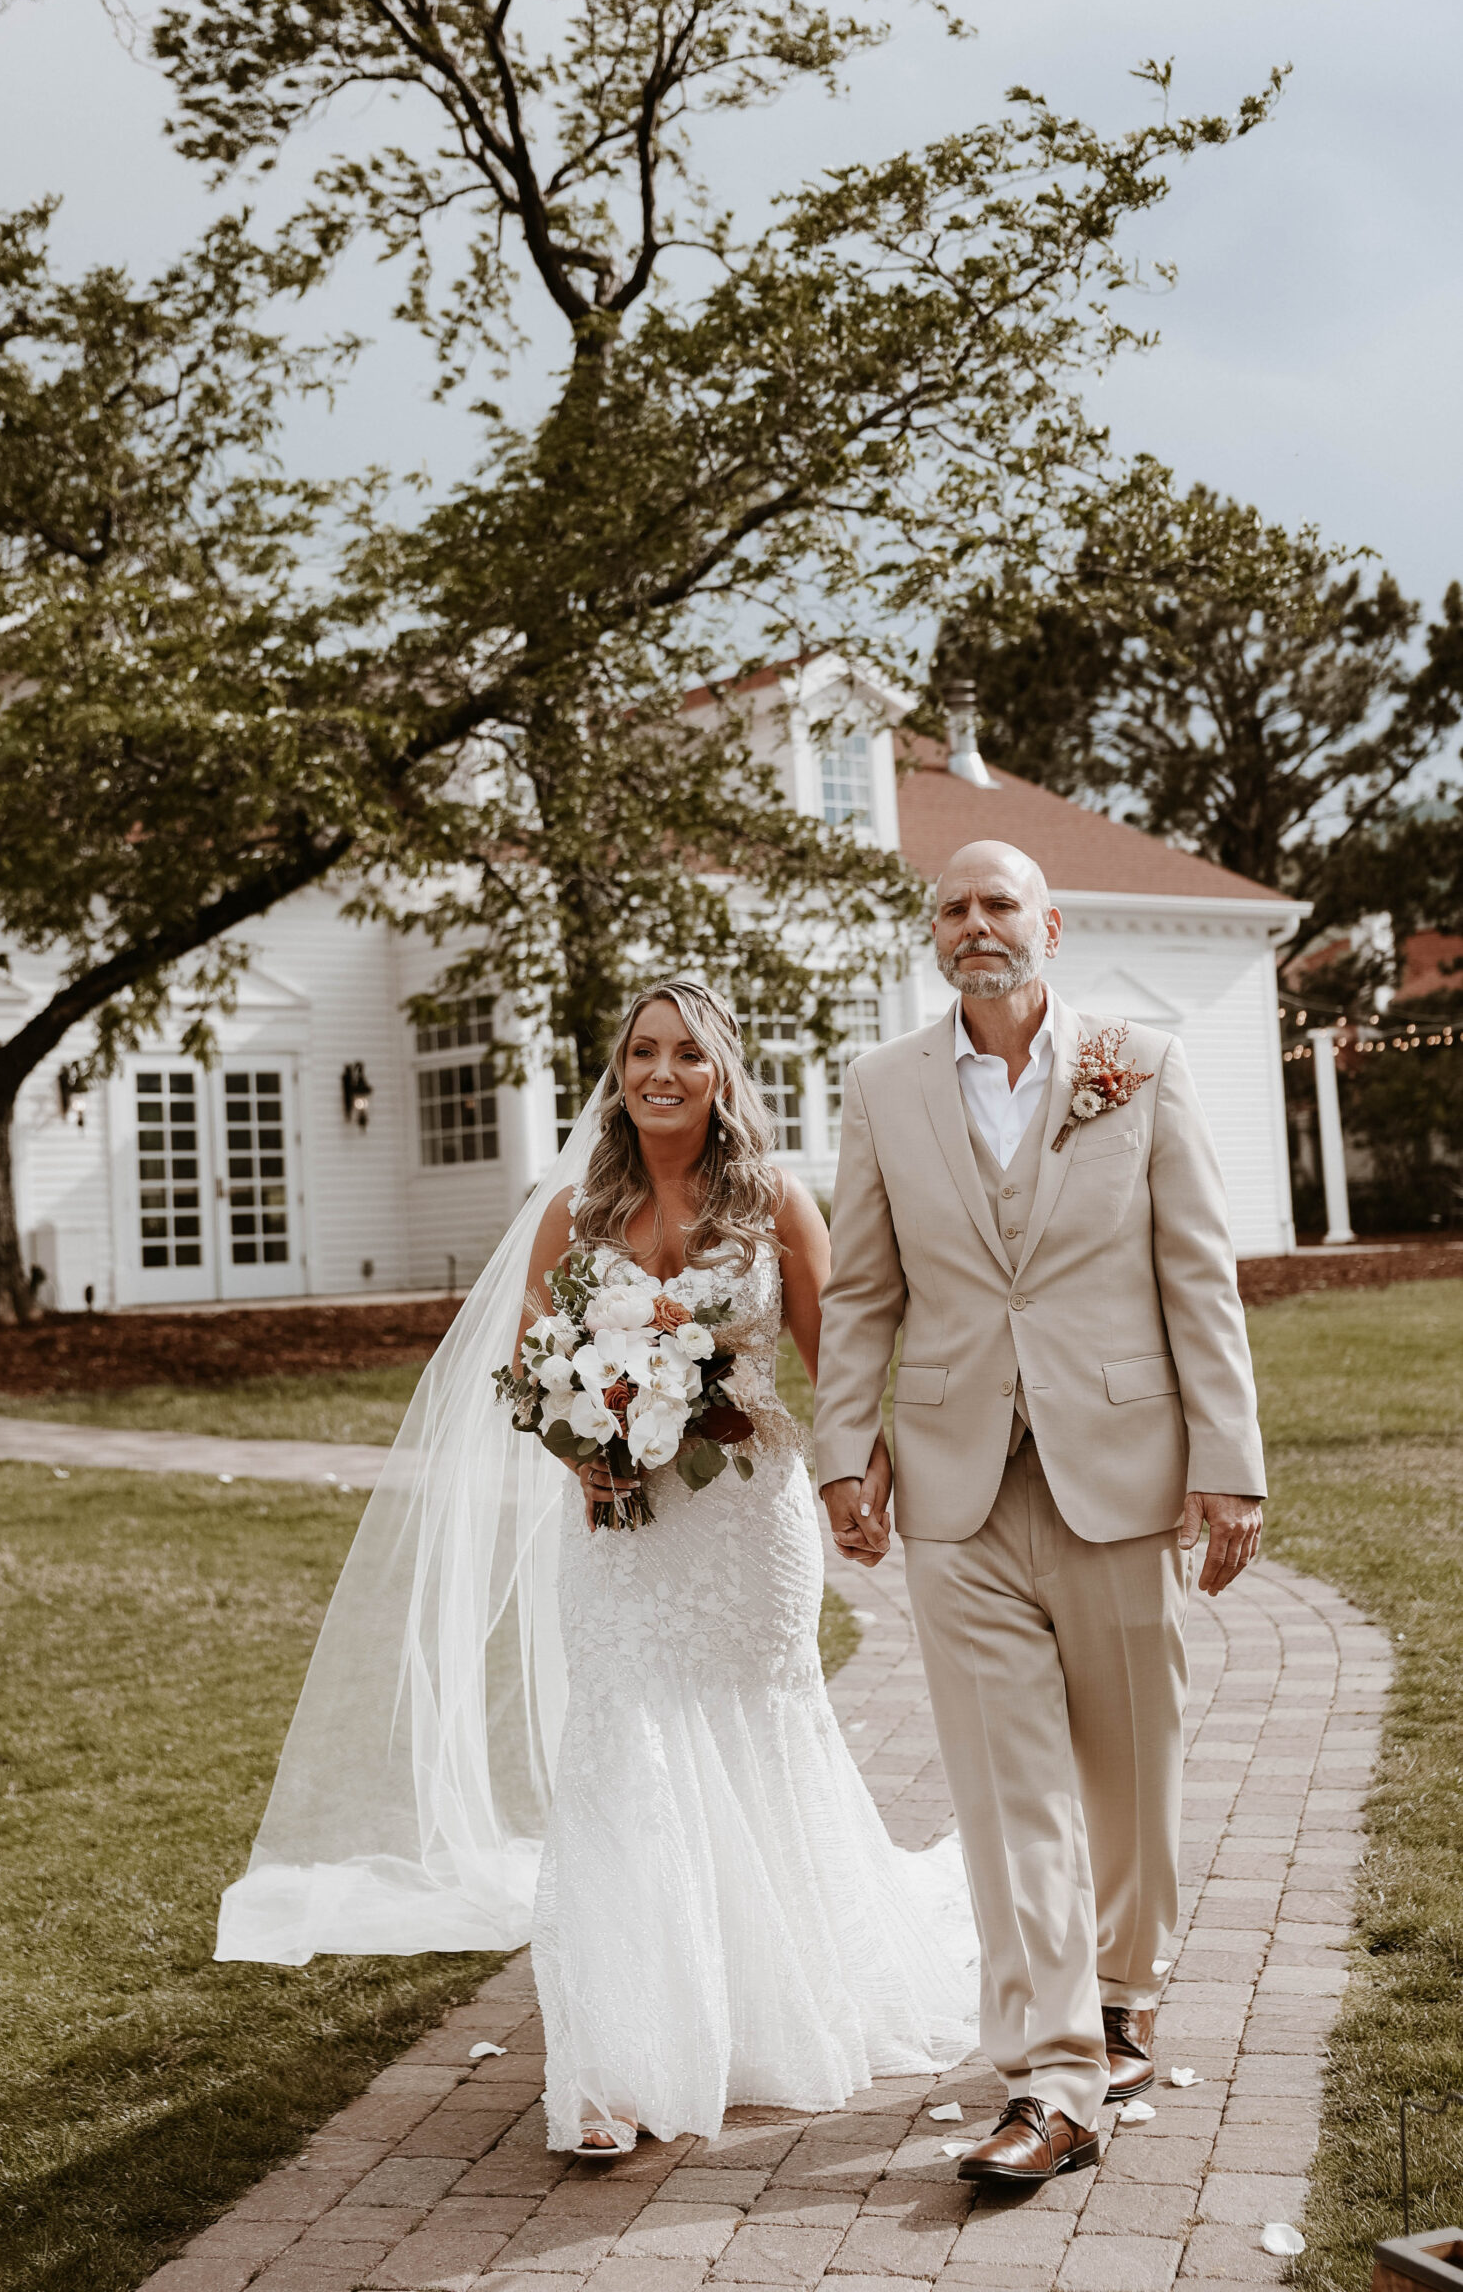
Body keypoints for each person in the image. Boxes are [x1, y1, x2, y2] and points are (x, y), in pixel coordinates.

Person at [813, 841, 1266, 2187]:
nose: (972, 925)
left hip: (1120, 1476)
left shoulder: (1140, 1064)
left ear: (1046, 926)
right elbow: (860, 1294)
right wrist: (845, 1448)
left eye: (996, 903)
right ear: (932, 937)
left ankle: (1124, 1987)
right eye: (949, 908)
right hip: (955, 1488)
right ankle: (1051, 2078)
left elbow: (1197, 1275)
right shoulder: (880, 1087)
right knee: (1006, 1792)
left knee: (1131, 1770)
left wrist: (1225, 1457)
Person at [520, 981, 975, 2154]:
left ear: (723, 1074)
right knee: (624, 1746)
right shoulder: (570, 1215)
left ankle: (767, 2005)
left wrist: (858, 1486)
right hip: (621, 1534)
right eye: (639, 1051)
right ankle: (620, 2062)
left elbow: (839, 1364)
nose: (659, 1072)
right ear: (616, 1070)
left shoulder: (774, 1206)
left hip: (744, 1528)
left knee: (752, 1734)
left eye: (685, 1054)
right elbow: (531, 1377)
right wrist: (581, 1454)